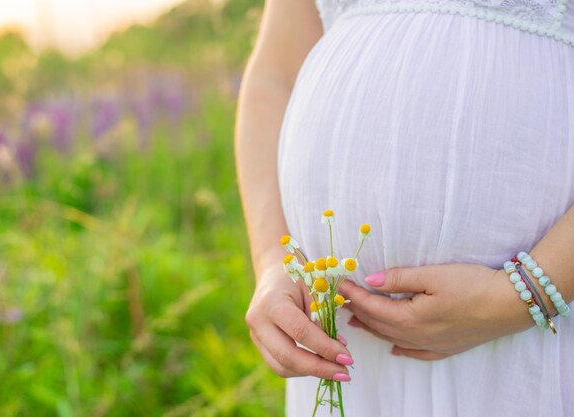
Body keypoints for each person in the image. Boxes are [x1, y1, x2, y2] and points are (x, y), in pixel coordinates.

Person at [234, 0, 574, 415]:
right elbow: (275, 75)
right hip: (348, 340)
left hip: (529, 332)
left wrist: (524, 294)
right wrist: (272, 262)